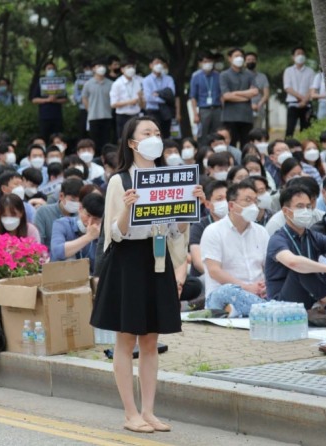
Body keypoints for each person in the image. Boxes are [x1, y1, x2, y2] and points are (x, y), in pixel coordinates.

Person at [90, 116, 191, 433]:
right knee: (126, 339)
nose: (154, 138)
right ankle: (130, 413)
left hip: (156, 257)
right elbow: (114, 234)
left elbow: (176, 231)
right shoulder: (121, 180)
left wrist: (190, 208)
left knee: (151, 341)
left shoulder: (168, 178)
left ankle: (149, 411)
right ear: (132, 142)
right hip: (127, 262)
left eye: (158, 133)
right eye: (147, 133)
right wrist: (127, 209)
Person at [265, 183, 326, 327]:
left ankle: (317, 308)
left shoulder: (313, 235)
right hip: (284, 301)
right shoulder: (278, 239)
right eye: (300, 207)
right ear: (286, 211)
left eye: (308, 206)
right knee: (302, 267)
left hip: (314, 296)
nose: (306, 210)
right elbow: (293, 262)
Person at [201, 180, 268, 317]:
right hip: (224, 295)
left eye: (255, 201)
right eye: (247, 200)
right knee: (229, 291)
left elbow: (270, 267)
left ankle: (249, 309)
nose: (253, 206)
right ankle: (265, 309)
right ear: (231, 205)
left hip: (257, 292)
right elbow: (214, 271)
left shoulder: (261, 231)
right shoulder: (213, 231)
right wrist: (246, 287)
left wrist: (265, 285)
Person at [50, 193, 104, 274]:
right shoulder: (62, 223)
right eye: (88, 215)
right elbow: (57, 252)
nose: (90, 221)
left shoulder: (102, 233)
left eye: (96, 219)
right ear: (80, 209)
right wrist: (88, 237)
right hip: (62, 276)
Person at [219, 48, 259, 149]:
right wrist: (246, 95)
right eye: (236, 56)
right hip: (230, 117)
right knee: (230, 145)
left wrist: (235, 94)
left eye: (241, 56)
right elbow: (226, 96)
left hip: (246, 116)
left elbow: (254, 92)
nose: (239, 58)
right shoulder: (224, 75)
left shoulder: (249, 74)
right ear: (229, 58)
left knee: (246, 145)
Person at [189, 180, 228, 279]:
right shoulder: (199, 226)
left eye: (227, 198)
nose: (225, 202)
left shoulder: (238, 224)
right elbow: (198, 263)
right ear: (207, 204)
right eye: (219, 199)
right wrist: (221, 277)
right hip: (205, 277)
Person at [33, 178, 84, 248]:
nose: (76, 203)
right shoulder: (43, 212)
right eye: (73, 200)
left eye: (80, 201)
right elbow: (38, 242)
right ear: (61, 196)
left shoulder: (82, 216)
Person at [82, 60, 114, 153]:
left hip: (107, 116)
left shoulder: (111, 84)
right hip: (93, 117)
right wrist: (89, 109)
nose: (101, 68)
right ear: (93, 69)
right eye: (98, 65)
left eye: (102, 65)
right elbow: (84, 98)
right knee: (95, 142)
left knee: (106, 142)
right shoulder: (88, 84)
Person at [190, 53, 222, 145]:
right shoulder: (196, 76)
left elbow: (222, 94)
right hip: (204, 109)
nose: (208, 63)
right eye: (205, 61)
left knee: (217, 133)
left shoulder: (218, 76)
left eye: (210, 61)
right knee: (203, 134)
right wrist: (195, 114)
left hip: (217, 108)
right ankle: (203, 153)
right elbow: (193, 97)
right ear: (200, 63)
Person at [31, 61, 68, 140]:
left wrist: (56, 101)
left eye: (53, 69)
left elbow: (65, 99)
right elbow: (34, 100)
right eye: (49, 68)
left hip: (57, 116)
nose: (51, 70)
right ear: (45, 70)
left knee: (58, 137)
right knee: (44, 137)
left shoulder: (59, 83)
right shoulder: (40, 83)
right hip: (44, 116)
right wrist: (47, 100)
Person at [283, 46, 315, 136]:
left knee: (306, 129)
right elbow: (287, 87)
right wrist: (302, 98)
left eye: (302, 54)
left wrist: (305, 101)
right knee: (290, 129)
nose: (300, 56)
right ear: (293, 57)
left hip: (307, 105)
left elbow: (312, 88)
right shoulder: (288, 71)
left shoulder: (310, 71)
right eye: (298, 54)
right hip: (292, 104)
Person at [142, 56, 176, 138]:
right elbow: (148, 98)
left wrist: (158, 94)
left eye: (161, 63)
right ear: (150, 65)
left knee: (166, 134)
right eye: (157, 63)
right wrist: (164, 97)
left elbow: (171, 94)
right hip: (153, 110)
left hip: (166, 109)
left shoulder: (169, 79)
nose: (159, 65)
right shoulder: (146, 80)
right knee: (154, 134)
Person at [110, 61, 144, 139]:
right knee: (124, 140)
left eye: (132, 67)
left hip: (136, 115)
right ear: (122, 70)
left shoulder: (137, 82)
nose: (131, 69)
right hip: (123, 116)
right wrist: (129, 102)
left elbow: (141, 103)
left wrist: (141, 99)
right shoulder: (117, 84)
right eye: (128, 67)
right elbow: (113, 104)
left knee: (136, 139)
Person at [244, 52, 270, 130]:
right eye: (248, 60)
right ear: (244, 62)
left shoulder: (262, 77)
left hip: (259, 109)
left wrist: (259, 104)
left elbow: (266, 94)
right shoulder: (241, 76)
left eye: (253, 60)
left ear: (256, 62)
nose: (251, 61)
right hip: (244, 110)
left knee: (257, 133)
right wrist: (250, 106)